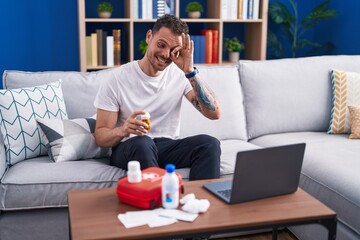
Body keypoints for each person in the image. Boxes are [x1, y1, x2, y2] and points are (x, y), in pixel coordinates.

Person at [94, 14, 221, 180]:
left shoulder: (181, 75)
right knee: (143, 142)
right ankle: (158, 202)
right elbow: (100, 137)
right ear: (149, 37)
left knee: (209, 144)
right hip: (130, 147)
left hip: (166, 146)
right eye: (161, 45)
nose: (166, 54)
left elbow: (214, 114)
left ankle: (198, 203)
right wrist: (123, 130)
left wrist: (190, 71)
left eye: (173, 50)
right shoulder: (117, 78)